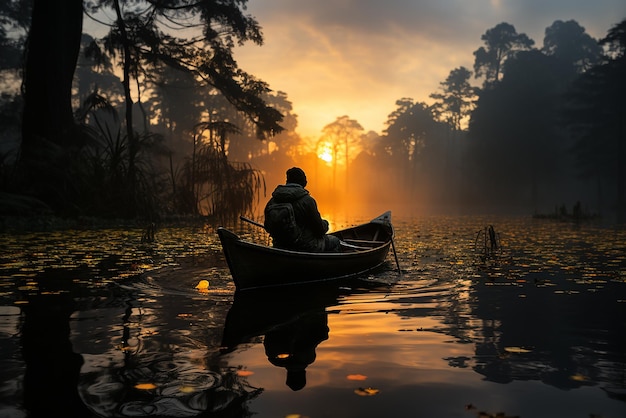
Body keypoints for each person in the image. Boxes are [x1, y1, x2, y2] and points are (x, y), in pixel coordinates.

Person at [264, 167, 340, 252]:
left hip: (279, 245)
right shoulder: (307, 200)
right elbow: (320, 230)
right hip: (304, 246)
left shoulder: (272, 200)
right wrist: (326, 224)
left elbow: (267, 227)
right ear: (303, 182)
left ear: (287, 181)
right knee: (335, 241)